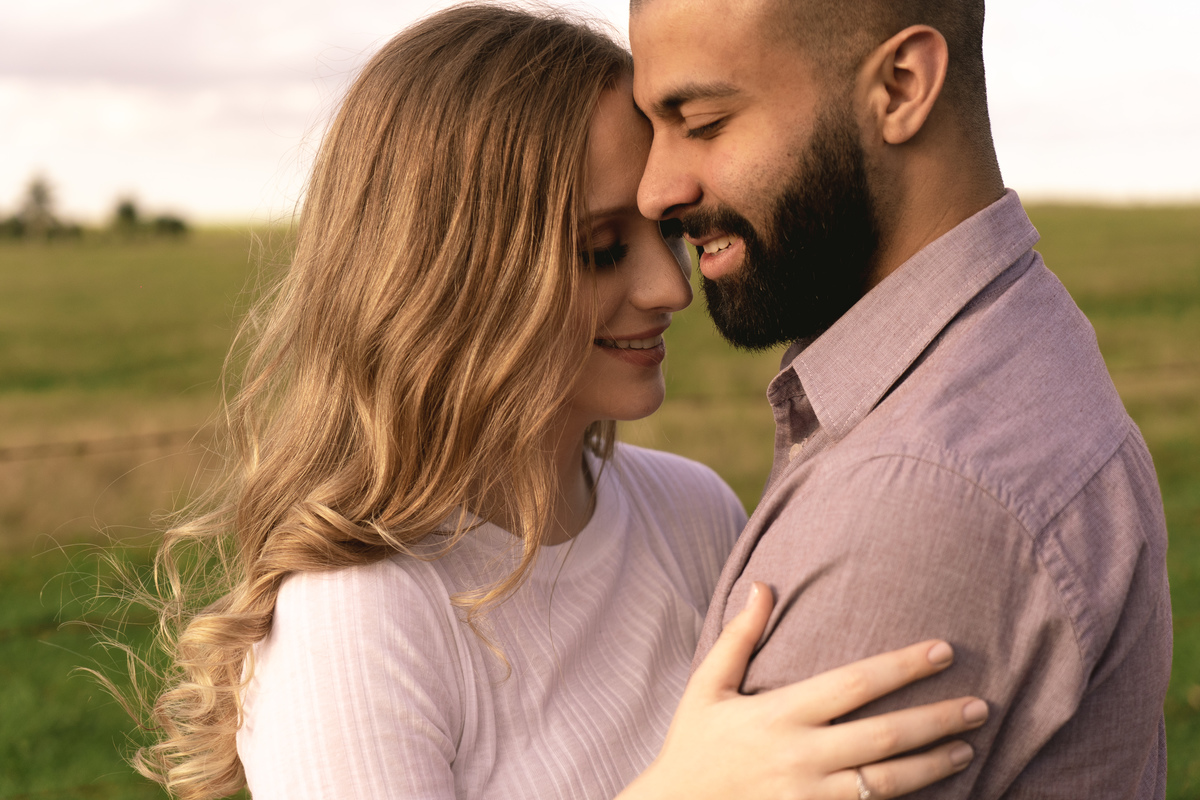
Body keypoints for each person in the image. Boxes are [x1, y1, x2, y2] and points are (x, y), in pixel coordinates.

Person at [124, 5, 991, 800]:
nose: (669, 290)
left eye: (665, 234)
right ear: (452, 274)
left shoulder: (693, 515)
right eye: (601, 249)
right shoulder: (357, 614)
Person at [629, 0, 1173, 797]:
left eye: (704, 122)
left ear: (901, 85)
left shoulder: (914, 497)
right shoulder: (1014, 335)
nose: (655, 191)